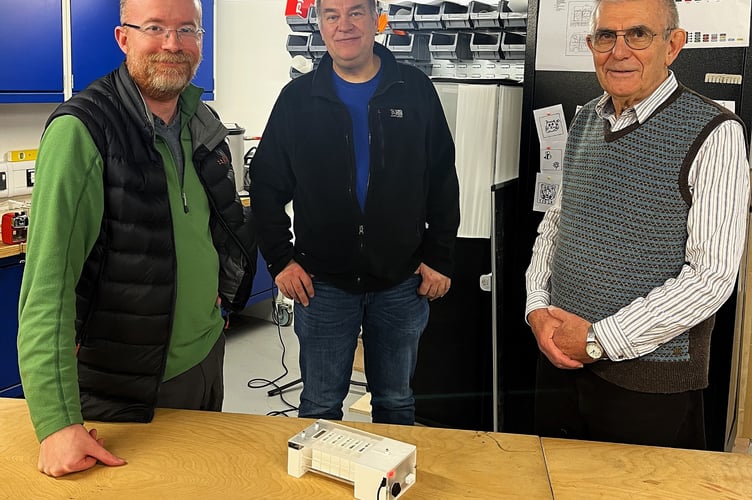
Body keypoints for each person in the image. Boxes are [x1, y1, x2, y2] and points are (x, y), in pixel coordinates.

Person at [17, 0, 256, 477]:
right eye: (155, 28)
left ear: (201, 44)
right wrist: (57, 422)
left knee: (206, 483)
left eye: (187, 29)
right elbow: (47, 289)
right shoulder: (82, 131)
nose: (172, 44)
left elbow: (210, 226)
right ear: (123, 38)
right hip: (131, 382)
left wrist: (218, 300)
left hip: (206, 357)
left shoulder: (199, 118)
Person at [525, 0, 749, 450]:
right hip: (559, 360)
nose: (619, 50)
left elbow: (712, 278)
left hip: (648, 383)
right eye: (606, 36)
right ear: (591, 45)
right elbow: (555, 223)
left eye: (638, 34)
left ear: (673, 45)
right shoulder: (586, 118)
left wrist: (596, 340)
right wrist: (536, 306)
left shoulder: (716, 132)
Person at [249, 0, 460, 425]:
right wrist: (280, 260)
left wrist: (439, 256)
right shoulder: (297, 100)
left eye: (356, 13)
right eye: (332, 15)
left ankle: (391, 489)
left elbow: (441, 180)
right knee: (320, 407)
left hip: (401, 281)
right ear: (321, 25)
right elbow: (265, 186)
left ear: (376, 17)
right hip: (322, 284)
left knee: (396, 403)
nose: (344, 25)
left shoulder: (414, 90)